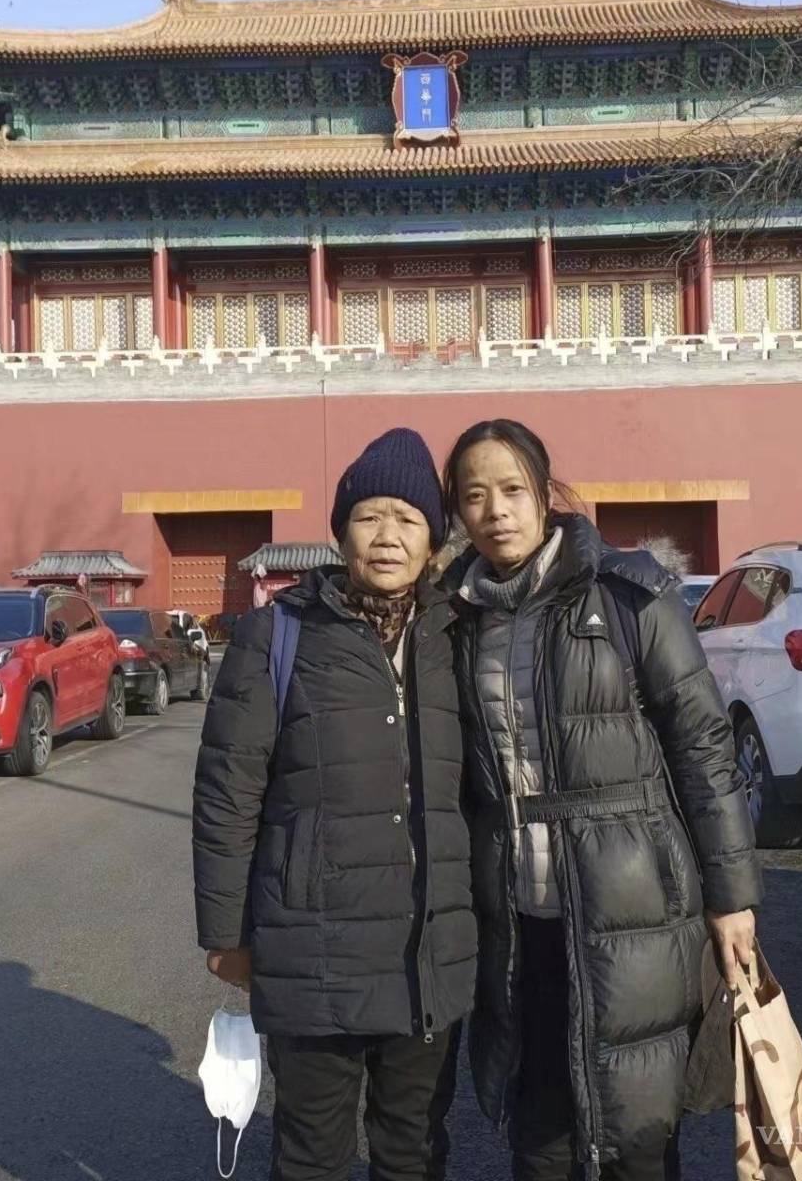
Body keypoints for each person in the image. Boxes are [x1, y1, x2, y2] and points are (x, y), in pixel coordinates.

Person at [441, 419, 762, 1181]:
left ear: (546, 495)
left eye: (513, 490)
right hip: (518, 916)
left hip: (634, 904)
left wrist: (734, 898)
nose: (496, 512)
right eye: (475, 496)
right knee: (541, 1127)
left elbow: (703, 747)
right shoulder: (454, 618)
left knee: (637, 1130)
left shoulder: (628, 596)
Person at [193, 427, 476, 1181]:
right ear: (341, 529)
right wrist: (224, 931)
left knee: (413, 1150)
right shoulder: (277, 634)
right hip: (310, 950)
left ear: (433, 541)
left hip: (428, 950)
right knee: (312, 1153)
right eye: (369, 516)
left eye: (408, 520)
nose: (388, 537)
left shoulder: (457, 637)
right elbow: (227, 793)